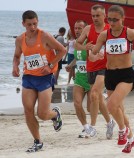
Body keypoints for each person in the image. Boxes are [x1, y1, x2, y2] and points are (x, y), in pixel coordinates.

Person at [90, 5, 134, 153]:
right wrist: (94, 53)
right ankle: (132, 139)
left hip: (126, 75)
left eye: (115, 20)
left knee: (111, 105)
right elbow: (93, 54)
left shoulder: (129, 33)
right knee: (119, 110)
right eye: (110, 19)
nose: (112, 23)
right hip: (110, 75)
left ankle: (122, 131)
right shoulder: (104, 35)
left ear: (123, 19)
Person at [12, 10, 66, 152]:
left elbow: (62, 51)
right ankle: (37, 141)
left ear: (38, 22)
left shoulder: (45, 36)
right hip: (29, 78)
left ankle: (55, 114)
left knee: (42, 114)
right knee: (28, 111)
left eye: (35, 24)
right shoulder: (19, 39)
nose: (33, 27)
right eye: (29, 24)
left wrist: (50, 65)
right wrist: (15, 66)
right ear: (23, 24)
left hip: (44, 78)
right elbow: (17, 56)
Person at [75, 4, 115, 139]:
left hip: (106, 68)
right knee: (97, 98)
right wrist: (84, 46)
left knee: (94, 94)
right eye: (93, 16)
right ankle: (110, 122)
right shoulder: (88, 29)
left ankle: (91, 126)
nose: (95, 18)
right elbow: (77, 44)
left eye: (98, 15)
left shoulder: (110, 29)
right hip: (91, 67)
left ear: (105, 16)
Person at [66, 20, 92, 138]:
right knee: (77, 103)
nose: (76, 31)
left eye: (79, 28)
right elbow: (77, 58)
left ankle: (95, 125)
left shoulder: (90, 42)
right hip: (80, 78)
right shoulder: (76, 43)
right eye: (75, 28)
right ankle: (86, 128)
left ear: (85, 29)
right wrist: (70, 65)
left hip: (92, 78)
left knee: (90, 108)